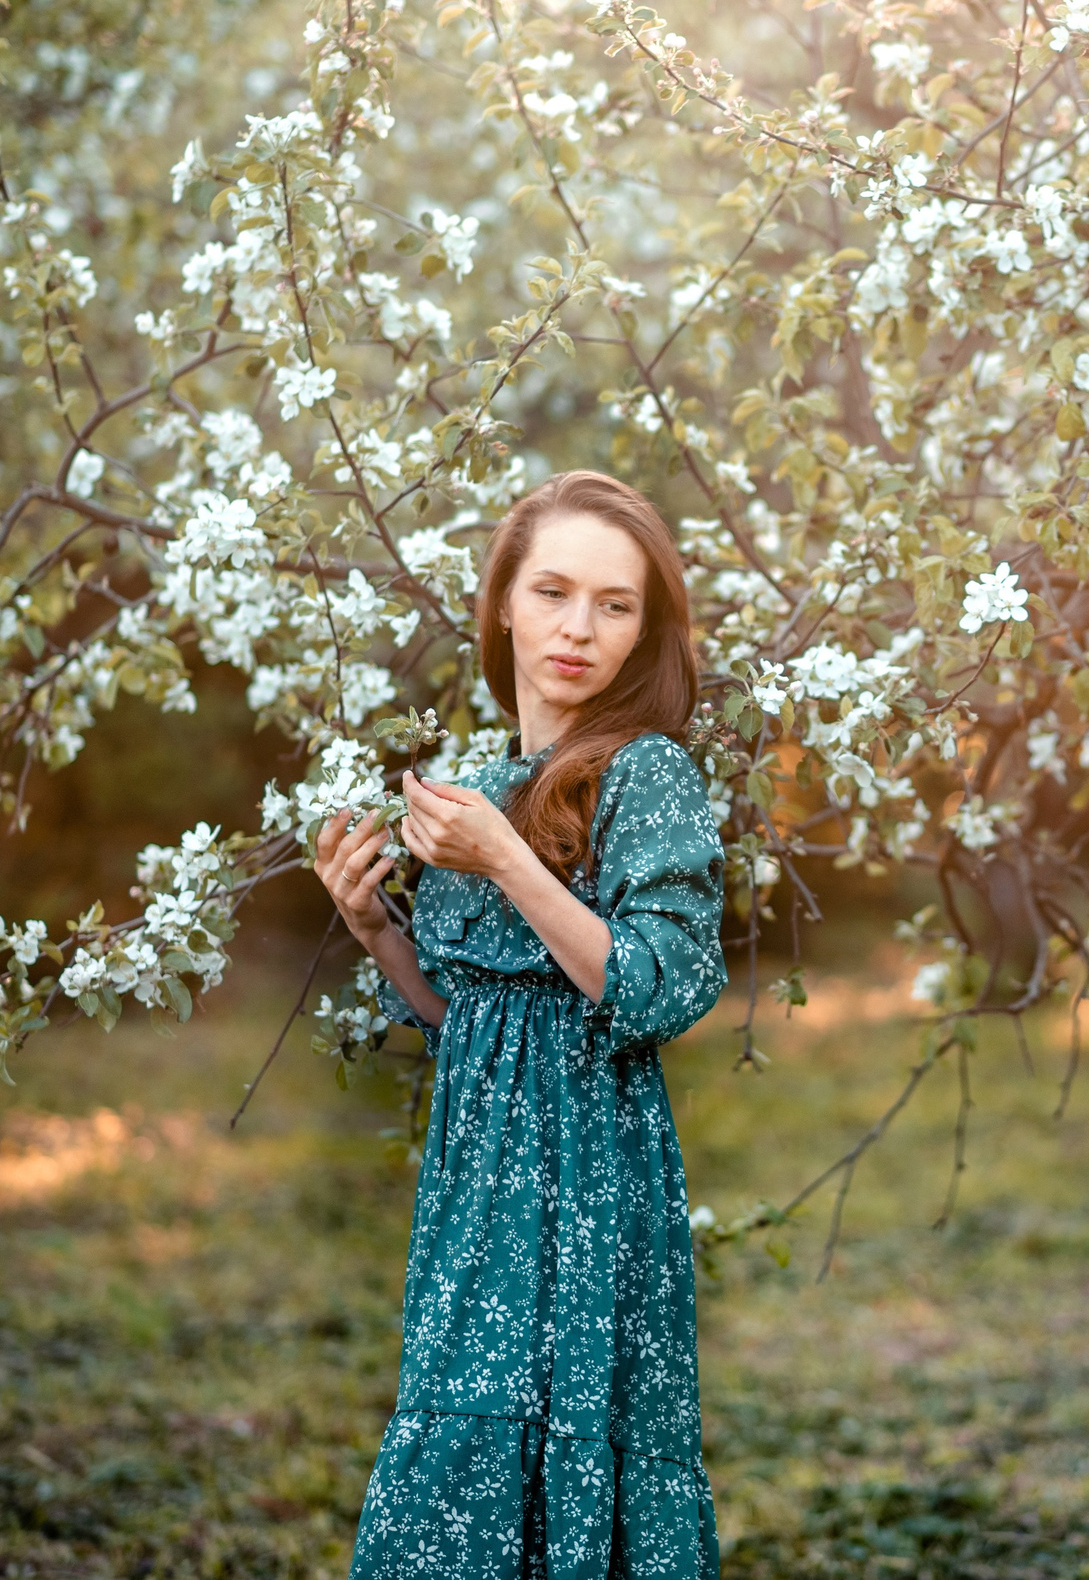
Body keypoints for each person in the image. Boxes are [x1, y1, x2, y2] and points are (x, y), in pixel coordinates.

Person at [312, 470, 725, 1579]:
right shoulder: (489, 781)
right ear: (502, 602)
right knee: (454, 1481)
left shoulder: (648, 774)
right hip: (478, 1190)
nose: (578, 628)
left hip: (595, 1189)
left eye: (615, 603)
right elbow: (483, 1027)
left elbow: (659, 984)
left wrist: (503, 855)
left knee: (575, 1471)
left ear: (645, 629)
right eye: (551, 591)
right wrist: (375, 930)